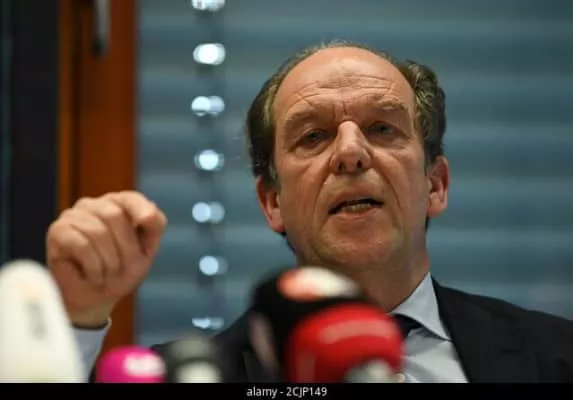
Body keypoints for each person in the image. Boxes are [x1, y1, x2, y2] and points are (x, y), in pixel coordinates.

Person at [46, 40, 573, 383]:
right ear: (272, 202)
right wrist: (76, 318)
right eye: (314, 136)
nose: (351, 153)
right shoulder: (192, 376)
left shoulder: (556, 355)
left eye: (382, 128)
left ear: (435, 184)